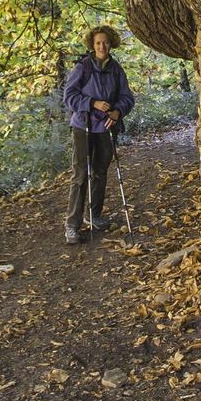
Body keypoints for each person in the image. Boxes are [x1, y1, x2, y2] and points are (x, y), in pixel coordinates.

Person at [61, 24, 136, 244]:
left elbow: (127, 97)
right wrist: (92, 102)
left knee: (100, 172)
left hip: (106, 127)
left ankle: (94, 216)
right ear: (92, 45)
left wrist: (117, 111)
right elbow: (69, 97)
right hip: (83, 126)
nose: (102, 46)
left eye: (105, 42)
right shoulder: (82, 68)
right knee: (81, 174)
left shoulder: (116, 69)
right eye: (97, 43)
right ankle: (72, 225)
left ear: (111, 43)